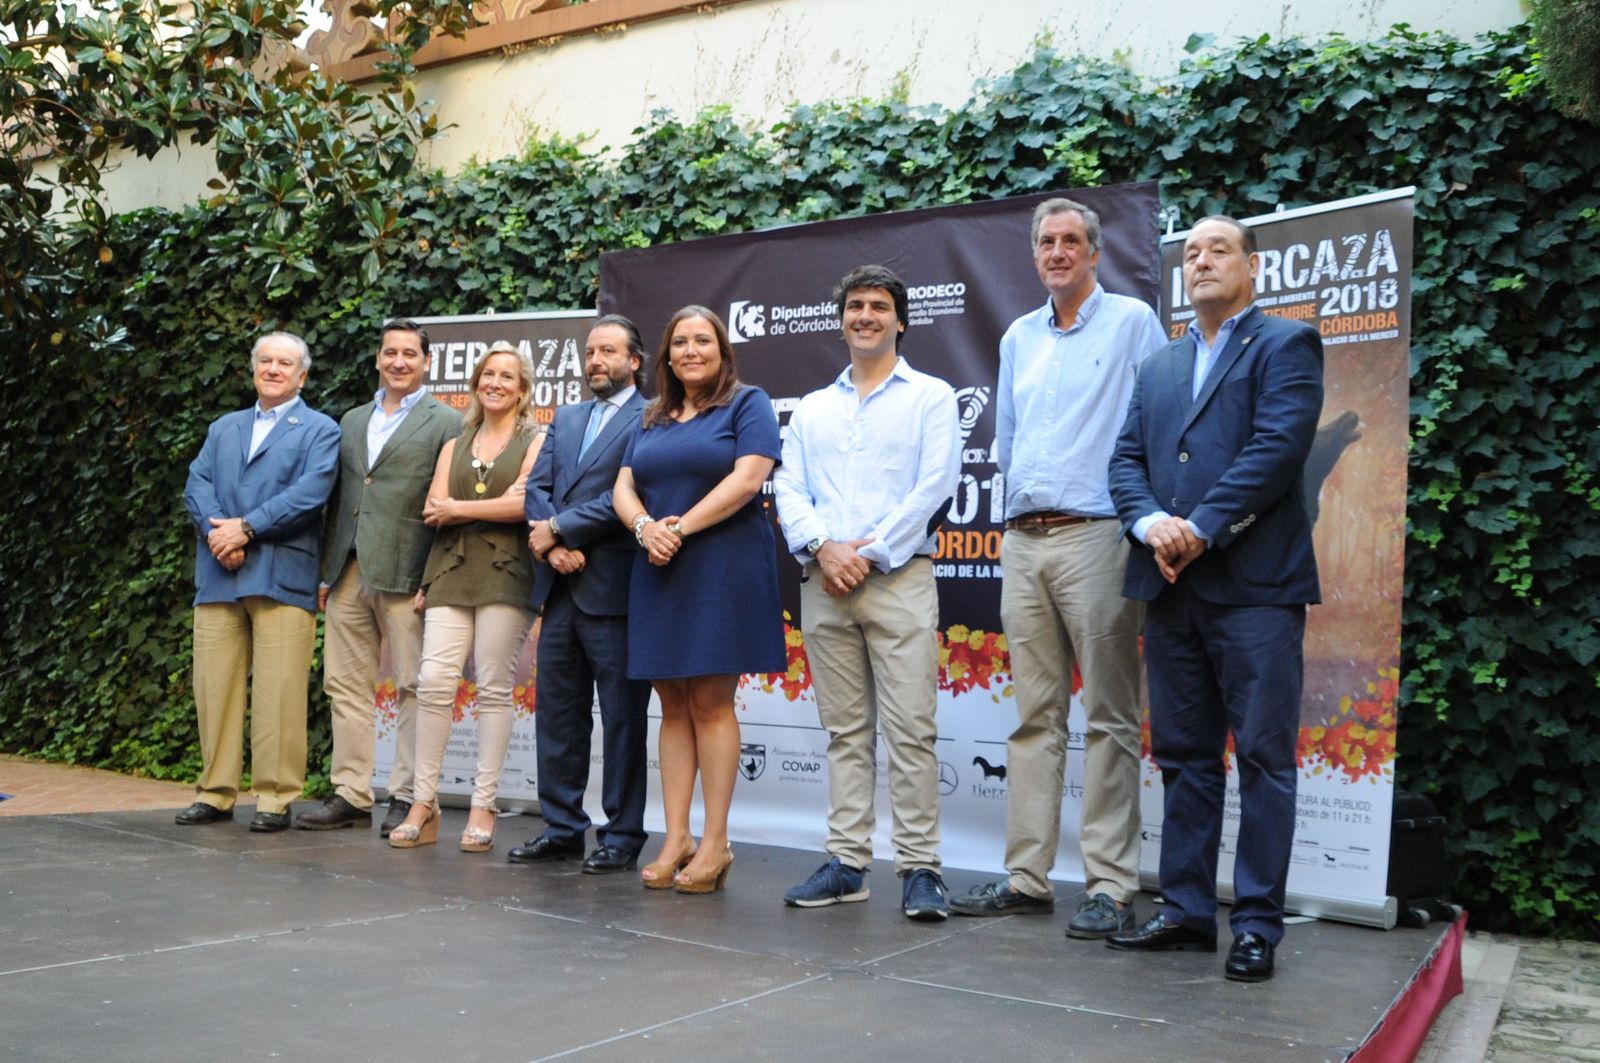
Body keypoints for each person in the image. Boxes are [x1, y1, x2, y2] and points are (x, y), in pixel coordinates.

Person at [1106, 215, 1324, 982]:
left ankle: (1258, 923)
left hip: (1255, 588)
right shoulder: (1159, 365)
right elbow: (1126, 460)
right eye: (1190, 253)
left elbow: (1277, 448)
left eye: (1217, 249)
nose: (1200, 261)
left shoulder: (1286, 344)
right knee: (1185, 757)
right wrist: (1149, 523)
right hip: (1170, 589)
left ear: (1252, 267)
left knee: (1264, 758)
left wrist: (1199, 526)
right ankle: (1187, 911)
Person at [949, 199, 1163, 938]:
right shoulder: (1017, 336)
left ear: (1095, 253)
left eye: (1072, 240)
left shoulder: (1133, 322)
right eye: (1047, 241)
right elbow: (1006, 436)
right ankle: (1027, 878)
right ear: (1035, 256)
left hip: (1098, 535)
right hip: (1024, 539)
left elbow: (1160, 421)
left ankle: (1109, 883)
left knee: (1108, 715)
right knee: (1034, 718)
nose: (1058, 251)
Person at [772, 266, 961, 922]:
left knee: (912, 730)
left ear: (900, 320)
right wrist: (825, 548)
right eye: (855, 306)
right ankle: (848, 864)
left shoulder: (931, 397)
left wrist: (867, 553)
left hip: (898, 578)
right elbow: (788, 488)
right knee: (845, 732)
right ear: (842, 319)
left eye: (879, 306)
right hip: (824, 582)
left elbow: (934, 486)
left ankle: (920, 868)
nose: (866, 316)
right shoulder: (813, 408)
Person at [611, 306, 785, 894]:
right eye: (679, 341)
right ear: (665, 355)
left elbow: (747, 478)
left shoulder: (748, 402)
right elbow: (624, 484)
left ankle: (715, 842)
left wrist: (677, 529)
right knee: (671, 701)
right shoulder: (654, 414)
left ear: (721, 349)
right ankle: (676, 836)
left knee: (710, 701)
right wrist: (644, 529)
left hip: (723, 565)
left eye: (702, 340)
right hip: (658, 566)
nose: (690, 350)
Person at [297, 319, 462, 834]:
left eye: (410, 354)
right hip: (348, 569)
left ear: (426, 363)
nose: (398, 362)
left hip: (408, 571)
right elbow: (341, 499)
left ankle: (408, 793)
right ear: (377, 359)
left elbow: (446, 506)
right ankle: (351, 792)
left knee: (414, 685)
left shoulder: (448, 423)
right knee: (343, 684)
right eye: (390, 352)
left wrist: (432, 577)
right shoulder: (350, 420)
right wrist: (326, 573)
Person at [508, 316, 653, 873]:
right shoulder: (565, 417)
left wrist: (561, 529)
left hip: (614, 588)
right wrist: (550, 545)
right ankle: (563, 827)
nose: (596, 361)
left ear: (634, 362)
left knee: (621, 719)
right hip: (560, 587)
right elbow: (536, 488)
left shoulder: (651, 416)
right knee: (559, 718)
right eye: (590, 352)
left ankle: (622, 834)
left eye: (608, 352)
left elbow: (633, 494)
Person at [178, 332, 339, 831]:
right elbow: (196, 483)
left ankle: (274, 797)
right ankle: (215, 792)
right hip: (219, 571)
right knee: (214, 687)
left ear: (302, 375)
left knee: (281, 692)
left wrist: (246, 528)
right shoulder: (224, 427)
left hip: (281, 574)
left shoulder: (320, 429)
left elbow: (310, 494)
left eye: (284, 362)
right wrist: (217, 532)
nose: (273, 369)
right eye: (265, 360)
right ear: (254, 369)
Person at [389, 343, 542, 849]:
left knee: (495, 688)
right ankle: (423, 804)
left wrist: (457, 509)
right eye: (487, 375)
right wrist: (455, 516)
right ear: (476, 384)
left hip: (505, 571)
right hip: (449, 569)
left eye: (506, 376)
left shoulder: (536, 439)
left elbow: (524, 503)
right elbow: (434, 510)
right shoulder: (455, 444)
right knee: (433, 682)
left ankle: (483, 806)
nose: (495, 383)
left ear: (522, 389)